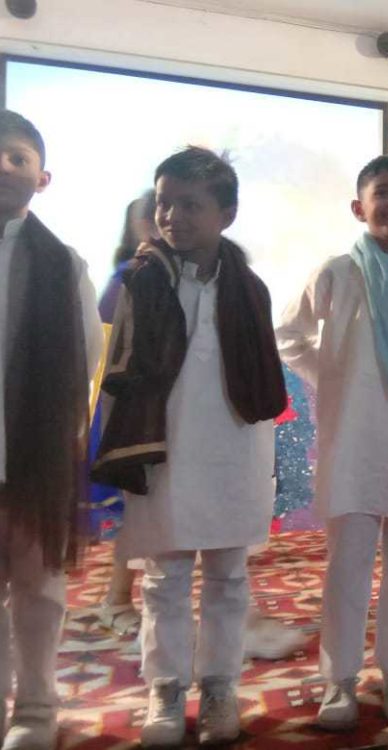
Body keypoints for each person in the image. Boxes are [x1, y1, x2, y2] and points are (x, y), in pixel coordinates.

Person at [93, 146, 287, 747]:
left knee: (228, 575)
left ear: (226, 214)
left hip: (234, 447)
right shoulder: (140, 282)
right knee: (165, 575)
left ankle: (221, 685)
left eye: (190, 205)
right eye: (165, 203)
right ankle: (167, 688)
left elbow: (261, 380)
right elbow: (117, 373)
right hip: (164, 448)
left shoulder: (249, 288)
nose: (173, 216)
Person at [276, 155, 388, 731]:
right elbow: (288, 335)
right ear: (359, 207)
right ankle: (340, 680)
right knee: (347, 567)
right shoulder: (338, 272)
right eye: (383, 192)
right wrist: (332, 379)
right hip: (353, 440)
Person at [0, 109, 103, 750]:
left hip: (32, 453)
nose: (4, 166)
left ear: (43, 178)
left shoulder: (62, 263)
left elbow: (83, 357)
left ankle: (36, 708)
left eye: (18, 157)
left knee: (37, 586)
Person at [89, 191, 157, 636]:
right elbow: (105, 349)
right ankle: (116, 598)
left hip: (163, 411)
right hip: (132, 412)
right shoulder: (127, 278)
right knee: (136, 506)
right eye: (152, 217)